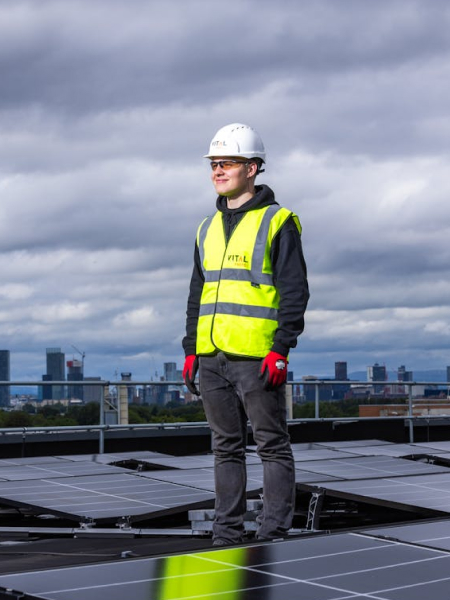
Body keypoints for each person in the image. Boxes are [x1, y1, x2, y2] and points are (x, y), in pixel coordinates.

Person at [181, 123, 309, 546]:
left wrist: (281, 348)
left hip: (257, 357)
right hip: (211, 356)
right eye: (214, 164)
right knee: (225, 448)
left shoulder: (278, 221)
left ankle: (273, 534)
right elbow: (198, 293)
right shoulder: (206, 228)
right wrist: (191, 349)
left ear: (252, 168)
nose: (218, 171)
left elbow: (295, 291)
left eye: (228, 163)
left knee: (271, 445)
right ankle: (226, 535)